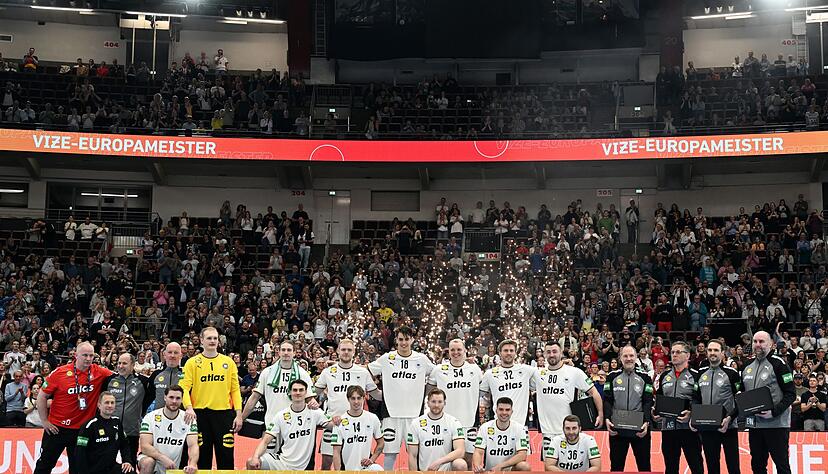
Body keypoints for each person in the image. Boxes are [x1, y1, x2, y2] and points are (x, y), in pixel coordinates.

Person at [34, 342, 114, 474]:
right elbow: (42, 396)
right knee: (44, 465)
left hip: (82, 431)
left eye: (91, 355)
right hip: (56, 428)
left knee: (79, 468)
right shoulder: (59, 372)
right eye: (85, 355)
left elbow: (119, 377)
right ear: (76, 355)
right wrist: (44, 421)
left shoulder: (99, 372)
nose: (88, 359)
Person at [368, 326, 435, 470]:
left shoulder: (422, 359)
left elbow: (436, 374)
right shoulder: (387, 358)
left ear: (412, 340)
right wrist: (374, 391)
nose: (403, 343)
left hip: (415, 415)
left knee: (415, 453)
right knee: (390, 453)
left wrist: (426, 392)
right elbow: (368, 371)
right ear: (396, 341)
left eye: (406, 339)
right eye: (400, 339)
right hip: (391, 414)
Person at [179, 327, 243, 470]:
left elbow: (235, 390)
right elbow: (184, 389)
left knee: (226, 457)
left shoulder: (228, 362)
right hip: (200, 415)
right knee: (202, 457)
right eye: (209, 338)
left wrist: (239, 414)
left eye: (215, 338)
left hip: (224, 415)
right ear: (201, 340)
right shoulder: (192, 363)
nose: (212, 341)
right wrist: (189, 408)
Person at [246, 379, 340, 470]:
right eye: (295, 390)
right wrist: (255, 457)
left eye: (301, 390)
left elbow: (332, 425)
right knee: (251, 462)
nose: (298, 393)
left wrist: (336, 420)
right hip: (282, 462)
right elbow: (265, 441)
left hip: (304, 466)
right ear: (290, 392)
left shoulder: (315, 412)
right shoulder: (281, 415)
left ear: (306, 392)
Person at [315, 339, 380, 469]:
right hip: (333, 424)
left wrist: (396, 396)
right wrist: (321, 414)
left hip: (356, 425)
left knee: (356, 463)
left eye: (349, 350)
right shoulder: (328, 372)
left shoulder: (362, 372)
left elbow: (376, 394)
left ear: (354, 352)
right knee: (326, 463)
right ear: (338, 351)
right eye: (343, 349)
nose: (346, 352)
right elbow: (313, 393)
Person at [240, 340, 316, 451]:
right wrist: (241, 418)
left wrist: (313, 403)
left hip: (295, 425)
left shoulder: (302, 373)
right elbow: (254, 398)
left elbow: (310, 398)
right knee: (268, 458)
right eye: (283, 350)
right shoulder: (267, 372)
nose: (286, 353)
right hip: (272, 423)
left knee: (290, 459)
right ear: (278, 352)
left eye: (289, 350)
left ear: (294, 353)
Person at [741, 330, 796, 474]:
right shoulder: (746, 366)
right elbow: (743, 393)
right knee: (757, 466)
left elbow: (791, 394)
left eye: (761, 341)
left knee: (782, 466)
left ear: (771, 344)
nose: (757, 344)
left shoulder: (779, 364)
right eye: (755, 341)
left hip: (776, 424)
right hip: (754, 425)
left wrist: (774, 412)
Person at [536, 342, 603, 458]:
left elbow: (594, 392)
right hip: (548, 433)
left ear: (561, 352)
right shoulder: (538, 374)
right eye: (548, 352)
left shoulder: (574, 372)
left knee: (571, 465)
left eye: (554, 351)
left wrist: (600, 414)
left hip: (570, 431)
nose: (551, 354)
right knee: (549, 466)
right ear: (544, 354)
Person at [427, 338, 483, 464]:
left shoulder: (475, 369)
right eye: (452, 350)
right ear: (448, 351)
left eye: (459, 349)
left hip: (469, 422)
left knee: (469, 460)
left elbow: (483, 390)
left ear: (465, 351)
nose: (456, 352)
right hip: (445, 423)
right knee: (444, 460)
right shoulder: (439, 370)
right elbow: (429, 392)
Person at [691, 339, 741, 474]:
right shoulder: (701, 373)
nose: (712, 353)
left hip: (728, 426)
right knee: (712, 466)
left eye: (716, 350)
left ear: (722, 353)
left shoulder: (732, 373)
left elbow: (740, 399)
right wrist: (694, 416)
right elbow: (696, 398)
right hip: (707, 426)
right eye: (710, 350)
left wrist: (730, 418)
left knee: (733, 466)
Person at [654, 341, 703, 474]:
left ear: (687, 356)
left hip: (689, 429)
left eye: (678, 352)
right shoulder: (664, 376)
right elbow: (659, 398)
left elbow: (700, 400)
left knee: (696, 466)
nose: (674, 355)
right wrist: (655, 412)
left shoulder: (696, 376)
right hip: (668, 429)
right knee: (670, 468)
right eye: (672, 352)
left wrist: (692, 413)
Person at [603, 345, 653, 472]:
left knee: (644, 467)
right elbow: (607, 400)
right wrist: (607, 418)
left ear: (636, 357)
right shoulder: (612, 376)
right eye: (625, 356)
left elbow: (648, 401)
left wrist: (647, 422)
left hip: (640, 428)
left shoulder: (645, 377)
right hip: (617, 428)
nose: (628, 358)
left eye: (631, 355)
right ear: (620, 358)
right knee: (616, 467)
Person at [138, 385, 198, 474]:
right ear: (165, 397)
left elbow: (193, 445)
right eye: (171, 397)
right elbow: (145, 446)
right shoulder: (150, 417)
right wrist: (163, 458)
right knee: (148, 462)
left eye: (178, 398)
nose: (174, 401)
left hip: (174, 465)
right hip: (154, 459)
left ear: (182, 400)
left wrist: (193, 464)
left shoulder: (188, 419)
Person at [480, 340, 540, 428]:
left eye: (511, 350)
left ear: (515, 353)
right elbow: (480, 396)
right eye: (505, 350)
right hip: (499, 425)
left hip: (520, 426)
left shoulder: (527, 370)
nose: (509, 353)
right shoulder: (490, 374)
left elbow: (545, 376)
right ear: (500, 353)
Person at [406, 388, 467, 471]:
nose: (436, 405)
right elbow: (412, 455)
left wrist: (439, 462)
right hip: (426, 470)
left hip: (446, 469)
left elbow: (460, 451)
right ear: (427, 403)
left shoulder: (453, 422)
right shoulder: (416, 423)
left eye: (440, 402)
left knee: (461, 464)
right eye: (433, 401)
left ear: (444, 403)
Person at [74, 392, 134, 474]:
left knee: (130, 472)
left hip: (111, 468)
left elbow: (124, 444)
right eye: (106, 402)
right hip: (93, 470)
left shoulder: (116, 422)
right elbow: (80, 453)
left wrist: (127, 460)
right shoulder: (89, 425)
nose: (110, 405)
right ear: (99, 405)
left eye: (112, 403)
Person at [107, 353, 152, 461]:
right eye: (119, 363)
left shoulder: (143, 381)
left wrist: (140, 413)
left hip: (132, 430)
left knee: (130, 461)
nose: (120, 366)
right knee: (107, 461)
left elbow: (149, 398)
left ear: (133, 365)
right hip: (110, 430)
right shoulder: (109, 380)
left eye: (124, 363)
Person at [330, 385, 384, 471]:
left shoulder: (372, 418)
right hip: (347, 469)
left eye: (359, 398)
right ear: (348, 399)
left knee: (378, 469)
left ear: (363, 398)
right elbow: (336, 451)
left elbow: (381, 443)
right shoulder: (339, 421)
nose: (356, 402)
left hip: (365, 468)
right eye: (353, 398)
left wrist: (372, 459)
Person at [472, 397, 530, 472]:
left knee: (524, 466)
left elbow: (522, 455)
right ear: (496, 410)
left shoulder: (520, 428)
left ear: (512, 411)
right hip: (490, 470)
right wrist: (477, 467)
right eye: (501, 409)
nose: (504, 413)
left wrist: (501, 466)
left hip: (510, 470)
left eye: (507, 410)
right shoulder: (485, 427)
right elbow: (478, 452)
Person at [148, 343, 184, 410]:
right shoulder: (156, 375)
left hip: (180, 415)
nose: (172, 355)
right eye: (170, 352)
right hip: (159, 415)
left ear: (181, 356)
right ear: (164, 354)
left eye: (176, 353)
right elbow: (148, 399)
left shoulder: (186, 375)